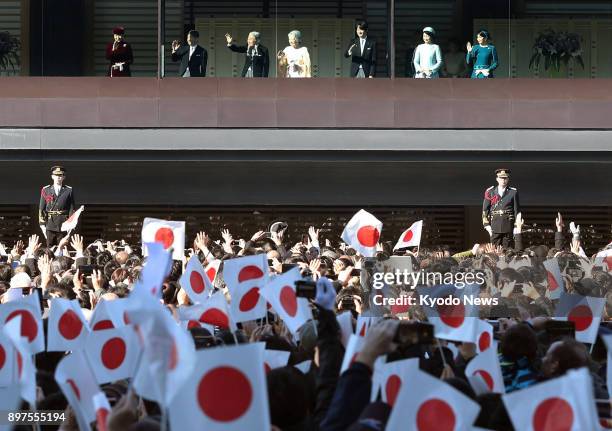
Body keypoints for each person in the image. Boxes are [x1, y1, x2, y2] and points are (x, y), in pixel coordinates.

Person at [38, 166, 76, 248]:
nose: (58, 177)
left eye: (60, 175)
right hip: (50, 224)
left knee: (62, 248)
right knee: (50, 249)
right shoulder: (46, 190)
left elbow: (71, 209)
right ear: (52, 176)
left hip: (63, 224)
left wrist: (70, 225)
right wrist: (42, 225)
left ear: (63, 177)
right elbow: (42, 209)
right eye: (56, 175)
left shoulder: (68, 190)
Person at [482, 169, 520, 248]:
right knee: (494, 250)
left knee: (507, 250)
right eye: (501, 178)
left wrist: (516, 226)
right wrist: (486, 225)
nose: (503, 180)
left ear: (508, 179)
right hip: (495, 226)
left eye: (505, 178)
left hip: (508, 225)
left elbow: (517, 211)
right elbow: (485, 210)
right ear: (497, 179)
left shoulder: (513, 192)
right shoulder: (490, 192)